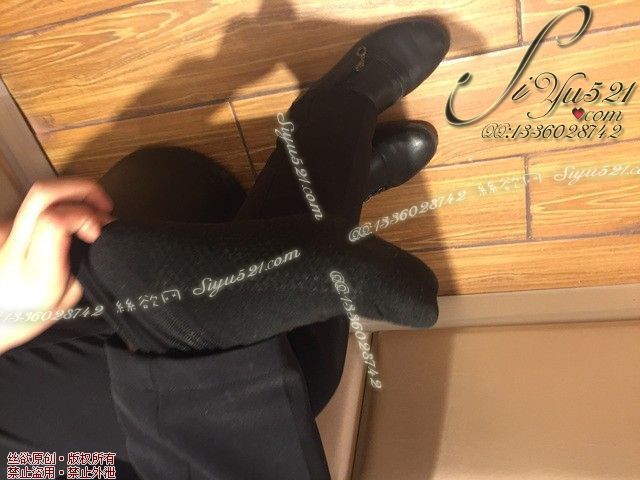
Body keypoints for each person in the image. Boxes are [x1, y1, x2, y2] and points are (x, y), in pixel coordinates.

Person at [0, 19, 449, 479]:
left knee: (260, 381)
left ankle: (339, 128)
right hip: (56, 469)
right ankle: (338, 166)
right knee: (283, 385)